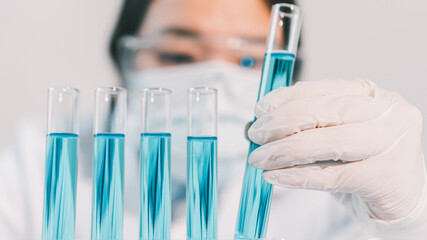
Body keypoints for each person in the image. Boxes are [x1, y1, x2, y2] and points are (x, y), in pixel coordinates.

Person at [0, 0, 426, 239]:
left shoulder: (333, 196)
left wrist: (409, 223)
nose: (215, 81)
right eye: (177, 55)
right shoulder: (37, 164)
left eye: (246, 58)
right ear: (122, 66)